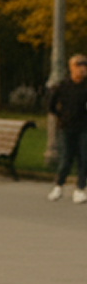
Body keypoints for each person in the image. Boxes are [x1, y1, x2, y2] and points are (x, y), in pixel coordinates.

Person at [49, 54, 87, 202]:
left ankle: (80, 188)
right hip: (66, 127)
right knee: (66, 158)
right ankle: (58, 186)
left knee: (84, 158)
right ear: (71, 68)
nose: (82, 69)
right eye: (78, 66)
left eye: (84, 66)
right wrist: (61, 116)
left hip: (84, 127)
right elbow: (51, 105)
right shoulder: (63, 86)